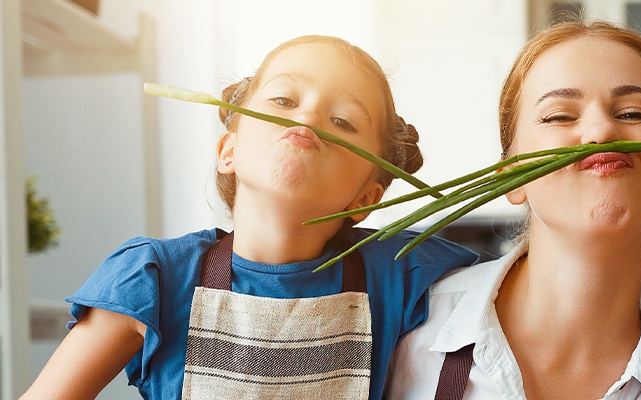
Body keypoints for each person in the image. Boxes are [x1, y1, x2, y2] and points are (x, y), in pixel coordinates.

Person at [23, 35, 478, 399]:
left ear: (366, 198)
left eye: (343, 122)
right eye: (283, 100)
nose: (310, 116)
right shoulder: (153, 278)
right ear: (229, 150)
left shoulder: (403, 268)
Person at [384, 21, 641, 399]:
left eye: (632, 113)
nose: (601, 131)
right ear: (513, 179)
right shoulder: (404, 334)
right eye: (559, 116)